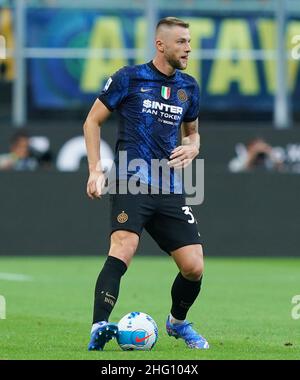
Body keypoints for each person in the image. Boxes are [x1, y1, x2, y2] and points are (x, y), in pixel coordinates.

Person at [83, 17, 209, 351]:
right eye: (181, 41)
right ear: (161, 45)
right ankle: (99, 326)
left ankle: (177, 323)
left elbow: (193, 133)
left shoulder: (189, 87)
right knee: (123, 246)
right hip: (131, 179)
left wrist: (193, 146)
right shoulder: (129, 78)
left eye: (189, 41)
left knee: (194, 267)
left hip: (169, 186)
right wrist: (96, 170)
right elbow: (92, 121)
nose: (188, 48)